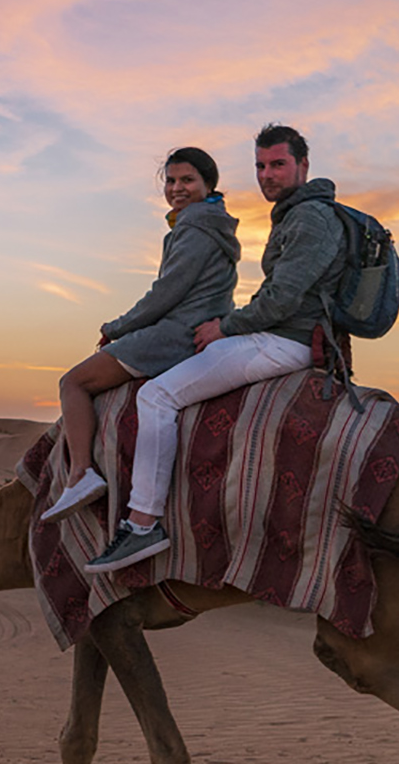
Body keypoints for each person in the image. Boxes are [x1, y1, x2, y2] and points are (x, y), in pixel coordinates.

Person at [84, 123, 345, 574]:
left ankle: (143, 524)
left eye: (278, 165)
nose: (268, 175)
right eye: (261, 166)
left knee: (156, 395)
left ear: (303, 166)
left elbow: (280, 301)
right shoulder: (295, 215)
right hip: (284, 334)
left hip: (288, 341)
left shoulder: (309, 219)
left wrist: (227, 326)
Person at [39, 146, 241, 523]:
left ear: (207, 184)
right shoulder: (213, 224)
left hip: (175, 333)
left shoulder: (195, 226)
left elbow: (167, 292)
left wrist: (116, 327)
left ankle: (80, 474)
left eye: (187, 180)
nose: (177, 188)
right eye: (171, 180)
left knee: (73, 383)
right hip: (195, 326)